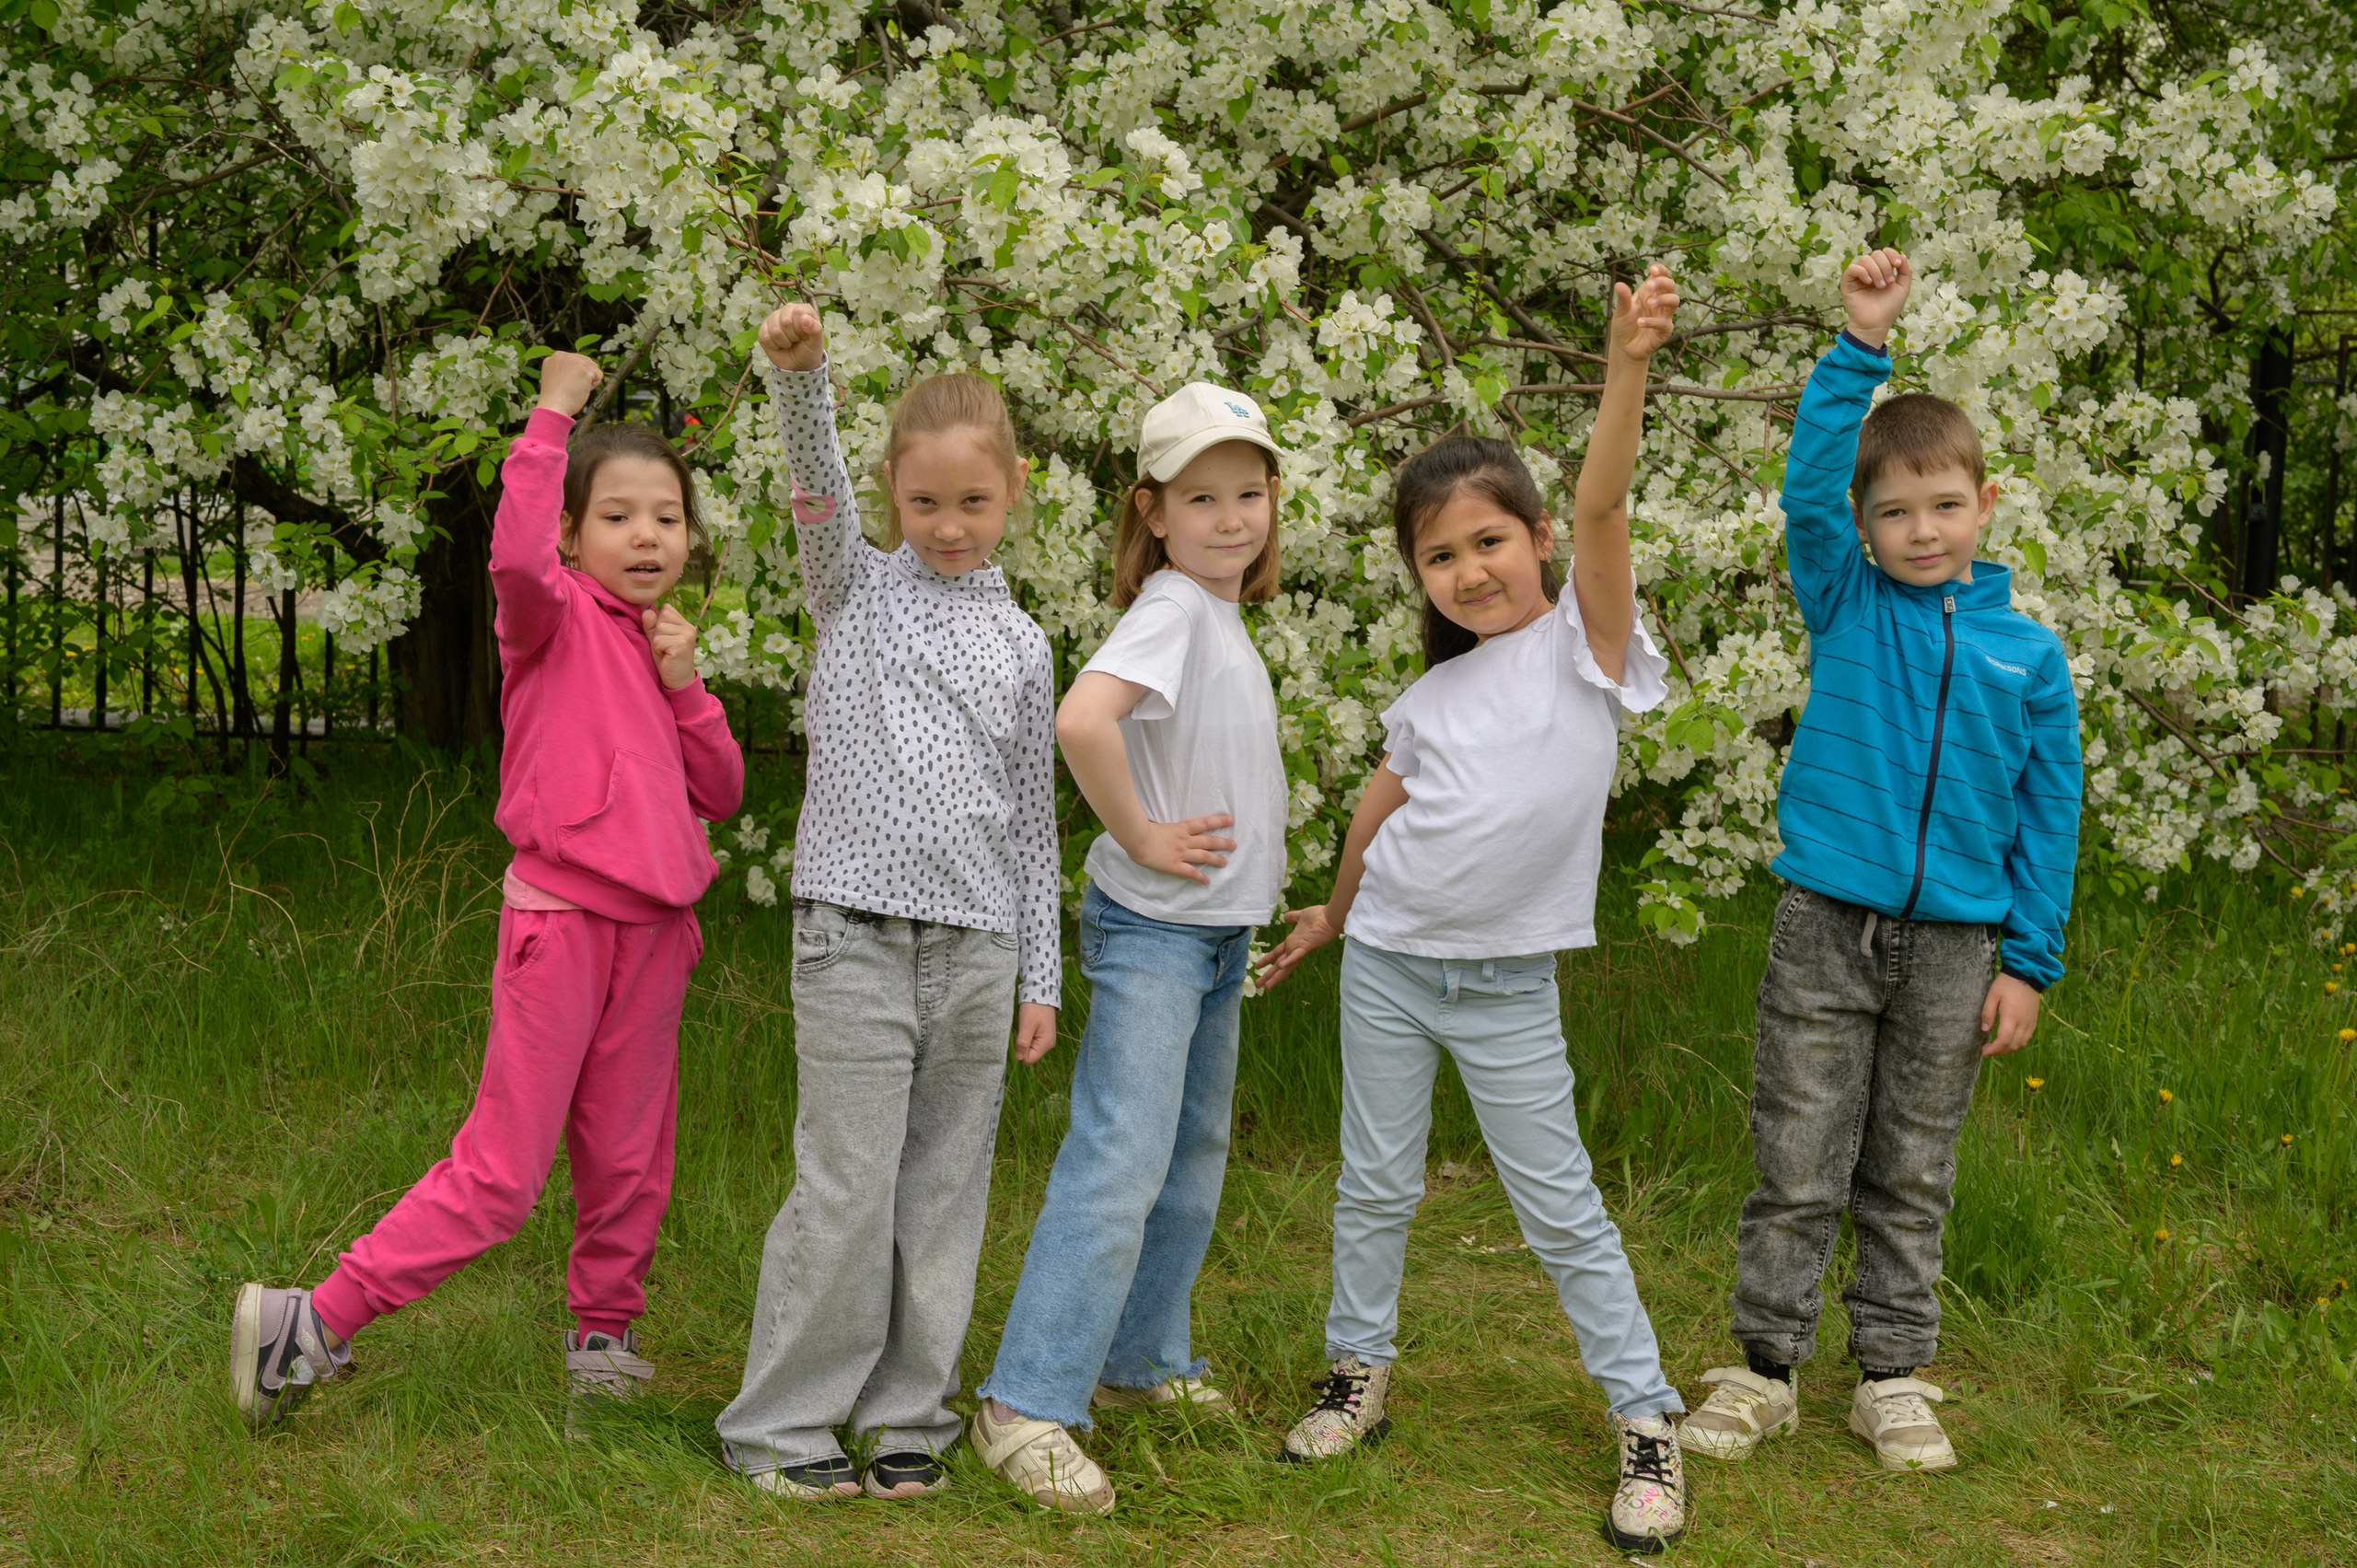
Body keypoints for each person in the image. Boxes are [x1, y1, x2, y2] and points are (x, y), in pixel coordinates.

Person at [1255, 267, 1691, 1554]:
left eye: (1489, 540)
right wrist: (1334, 916)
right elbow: (1374, 813)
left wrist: (1627, 364)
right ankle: (1357, 1373)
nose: (1468, 568)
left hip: (1504, 982)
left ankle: (1645, 1416)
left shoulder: (1587, 651)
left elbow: (1609, 496)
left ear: (1539, 536)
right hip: (1388, 957)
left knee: (1557, 1199)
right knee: (1374, 1183)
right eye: (1439, 554)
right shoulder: (1429, 700)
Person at [232, 351, 745, 1429]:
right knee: (504, 1171)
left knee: (631, 1155)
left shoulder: (662, 648)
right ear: (571, 535)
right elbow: (510, 557)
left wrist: (687, 686)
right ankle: (311, 1320)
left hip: (656, 937)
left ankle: (603, 1339)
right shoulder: (546, 622)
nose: (648, 535)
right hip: (559, 927)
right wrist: (550, 418)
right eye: (618, 516)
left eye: (667, 516)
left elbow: (722, 790)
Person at [1672, 249, 2081, 1474]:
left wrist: (2031, 962)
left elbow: (2049, 817)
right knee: (1799, 1148)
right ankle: (1763, 1366)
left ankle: (1894, 1373)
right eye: (1894, 511)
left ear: (1985, 504)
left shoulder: (2030, 656)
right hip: (1825, 920)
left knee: (1912, 1158)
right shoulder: (1844, 596)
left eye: (1943, 505)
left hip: (1960, 945)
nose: (1920, 528)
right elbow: (1806, 484)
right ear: (1861, 527)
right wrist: (1860, 344)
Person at [714, 305, 1062, 1501]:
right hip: (852, 937)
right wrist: (802, 378)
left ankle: (910, 1410)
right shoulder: (852, 588)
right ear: (893, 499)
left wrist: (1043, 975)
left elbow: (1032, 815)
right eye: (925, 504)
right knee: (849, 1186)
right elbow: (814, 490)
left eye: (973, 502)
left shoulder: (1024, 641)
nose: (950, 525)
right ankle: (784, 1422)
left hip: (978, 951)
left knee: (944, 1191)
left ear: (1013, 492)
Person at [969, 382, 1290, 1516]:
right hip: (1155, 930)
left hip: (1212, 937)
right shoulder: (1169, 609)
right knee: (1120, 1157)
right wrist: (1140, 833)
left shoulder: (1216, 612)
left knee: (1190, 1158)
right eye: (1201, 497)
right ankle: (1026, 1399)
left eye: (1247, 493)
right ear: (1152, 510)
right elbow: (1080, 719)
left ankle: (1140, 1356)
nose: (1230, 517)